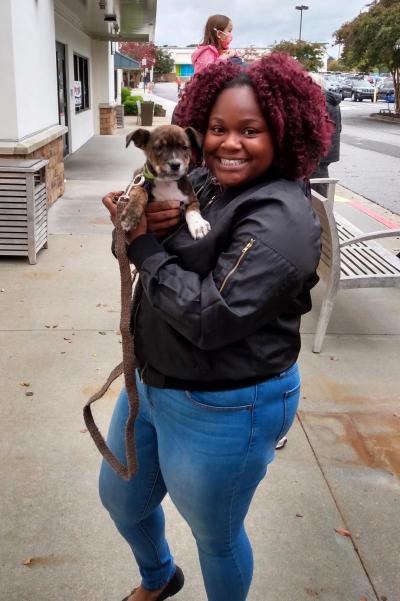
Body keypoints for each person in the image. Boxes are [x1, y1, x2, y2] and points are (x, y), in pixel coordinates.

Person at [100, 53, 333, 601]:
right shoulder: (200, 180)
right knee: (121, 500)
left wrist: (144, 250)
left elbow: (208, 315)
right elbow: (136, 235)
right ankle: (160, 578)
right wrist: (130, 223)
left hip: (228, 403)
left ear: (283, 132)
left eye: (250, 131)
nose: (229, 143)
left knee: (216, 537)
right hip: (153, 384)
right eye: (218, 128)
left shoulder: (282, 218)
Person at [310, 73, 342, 198]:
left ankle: (322, 213)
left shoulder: (322, 103)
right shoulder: (331, 102)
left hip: (321, 150)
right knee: (319, 179)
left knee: (318, 184)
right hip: (328, 149)